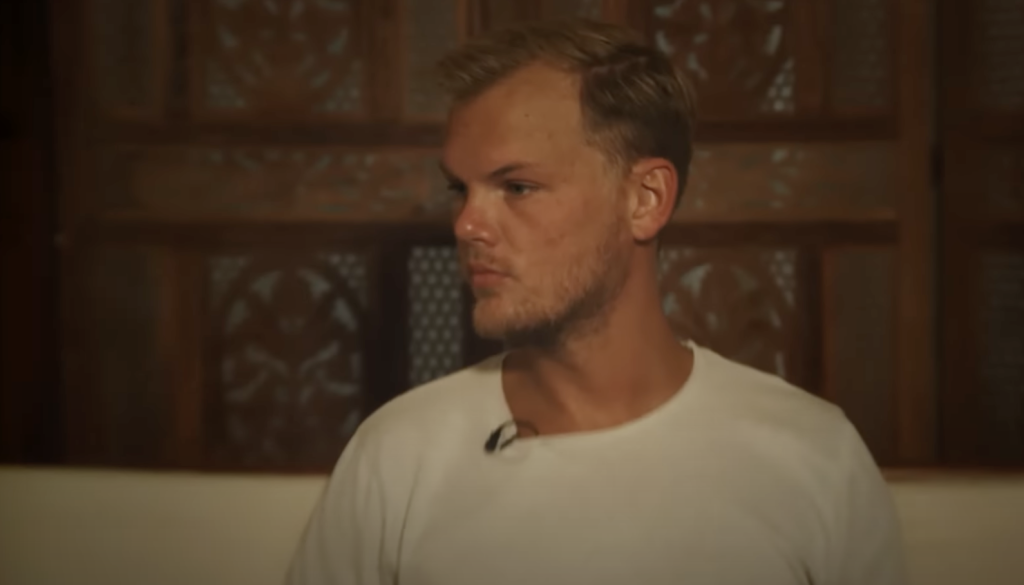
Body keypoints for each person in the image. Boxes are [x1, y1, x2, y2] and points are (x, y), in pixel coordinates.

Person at [286, 18, 906, 585]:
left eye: (517, 186)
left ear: (645, 199)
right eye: (460, 189)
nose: (467, 224)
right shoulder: (398, 454)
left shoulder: (813, 457)